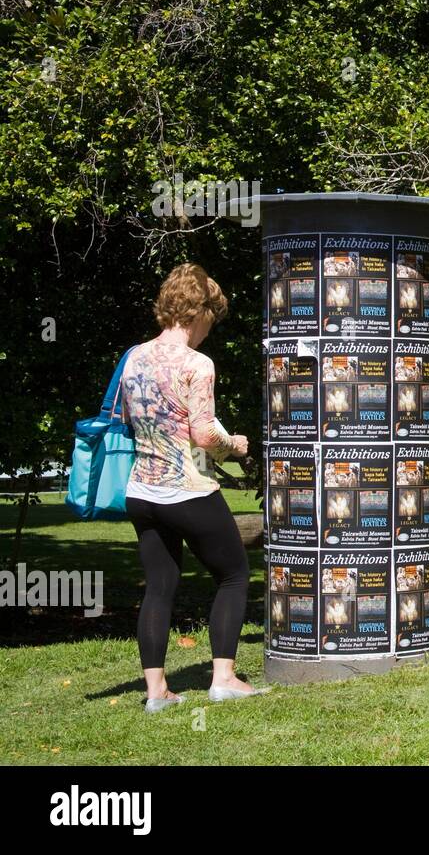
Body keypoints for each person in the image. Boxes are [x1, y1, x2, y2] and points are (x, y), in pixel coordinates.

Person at [120, 263, 267, 712]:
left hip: (142, 492)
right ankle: (223, 678)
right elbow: (204, 435)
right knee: (234, 575)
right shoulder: (197, 363)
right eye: (211, 319)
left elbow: (131, 421)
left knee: (160, 585)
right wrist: (235, 444)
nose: (209, 331)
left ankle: (156, 693)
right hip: (187, 489)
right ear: (199, 311)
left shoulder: (134, 357)